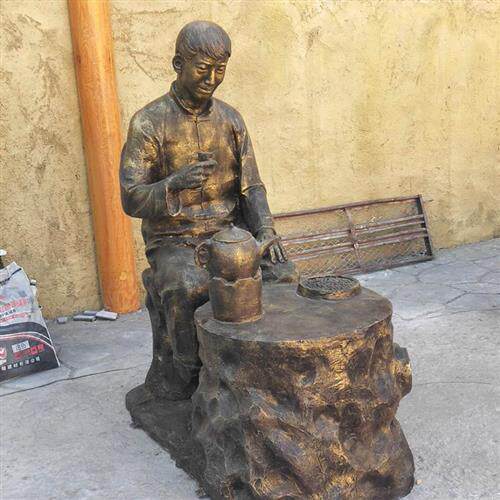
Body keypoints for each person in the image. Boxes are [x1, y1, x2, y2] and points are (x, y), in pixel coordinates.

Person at [120, 21, 296, 400]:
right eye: (202, 69)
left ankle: (264, 375)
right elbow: (131, 197)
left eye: (220, 70)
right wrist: (173, 184)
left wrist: (266, 231)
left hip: (232, 238)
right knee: (188, 286)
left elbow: (251, 186)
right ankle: (190, 382)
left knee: (283, 276)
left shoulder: (230, 120)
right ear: (178, 64)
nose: (212, 79)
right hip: (175, 240)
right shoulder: (149, 123)